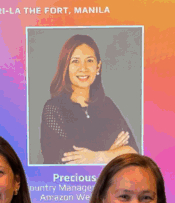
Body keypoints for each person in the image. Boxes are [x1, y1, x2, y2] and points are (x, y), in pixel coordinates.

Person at [39, 34, 140, 165]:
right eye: (75, 61)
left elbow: (134, 153)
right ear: (66, 67)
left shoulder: (107, 105)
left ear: (98, 67)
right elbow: (65, 162)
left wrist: (98, 157)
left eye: (90, 60)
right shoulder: (53, 109)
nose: (83, 68)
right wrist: (112, 153)